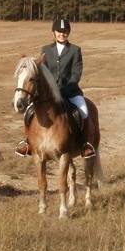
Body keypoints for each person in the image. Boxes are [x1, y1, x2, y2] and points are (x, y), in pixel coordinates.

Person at [15, 18, 97, 159]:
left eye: (64, 31)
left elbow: (76, 74)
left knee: (83, 110)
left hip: (70, 91)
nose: (62, 34)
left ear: (68, 32)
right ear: (54, 32)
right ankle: (28, 141)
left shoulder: (75, 50)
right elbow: (42, 72)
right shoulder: (46, 50)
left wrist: (65, 88)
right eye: (59, 31)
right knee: (28, 111)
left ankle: (85, 144)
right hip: (48, 93)